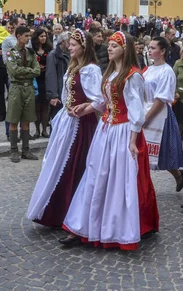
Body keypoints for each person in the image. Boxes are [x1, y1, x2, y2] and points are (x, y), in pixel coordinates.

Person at [60, 32, 159, 249]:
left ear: (126, 48)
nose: (110, 48)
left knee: (118, 181)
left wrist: (133, 140)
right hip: (105, 130)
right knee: (95, 175)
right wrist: (86, 108)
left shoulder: (132, 75)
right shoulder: (110, 72)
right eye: (110, 45)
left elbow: (136, 111)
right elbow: (105, 103)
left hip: (122, 132)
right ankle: (84, 226)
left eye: (115, 45)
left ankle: (115, 229)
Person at [27, 30, 102, 227]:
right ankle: (57, 211)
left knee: (75, 165)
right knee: (59, 163)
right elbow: (66, 93)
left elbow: (99, 100)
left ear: (84, 47)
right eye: (69, 44)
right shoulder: (73, 67)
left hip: (83, 124)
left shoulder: (91, 69)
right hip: (67, 122)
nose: (70, 47)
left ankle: (72, 213)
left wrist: (83, 109)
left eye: (74, 45)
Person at [143, 37, 183, 191]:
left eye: (153, 48)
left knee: (163, 153)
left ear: (162, 51)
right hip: (145, 108)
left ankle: (177, 174)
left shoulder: (167, 71)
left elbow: (161, 98)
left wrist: (147, 117)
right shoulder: (148, 68)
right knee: (143, 152)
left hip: (159, 114)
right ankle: (143, 186)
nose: (150, 50)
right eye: (149, 47)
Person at [6, 26, 41, 162]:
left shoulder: (31, 53)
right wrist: (29, 71)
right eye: (26, 36)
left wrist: (24, 71)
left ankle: (26, 150)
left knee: (26, 120)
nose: (28, 38)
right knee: (14, 120)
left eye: (29, 36)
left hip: (29, 88)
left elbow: (37, 70)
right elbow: (14, 71)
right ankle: (14, 150)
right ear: (18, 36)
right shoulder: (11, 53)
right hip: (16, 88)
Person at [31, 28, 52, 138]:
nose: (44, 38)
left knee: (45, 107)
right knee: (36, 107)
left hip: (46, 80)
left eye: (45, 36)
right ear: (37, 37)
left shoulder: (49, 49)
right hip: (35, 80)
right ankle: (37, 130)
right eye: (41, 36)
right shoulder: (32, 50)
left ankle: (44, 129)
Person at [46, 31, 70, 119]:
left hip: (67, 93)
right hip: (58, 94)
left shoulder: (70, 54)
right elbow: (51, 76)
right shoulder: (53, 55)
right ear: (63, 42)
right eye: (69, 41)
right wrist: (53, 95)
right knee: (56, 121)